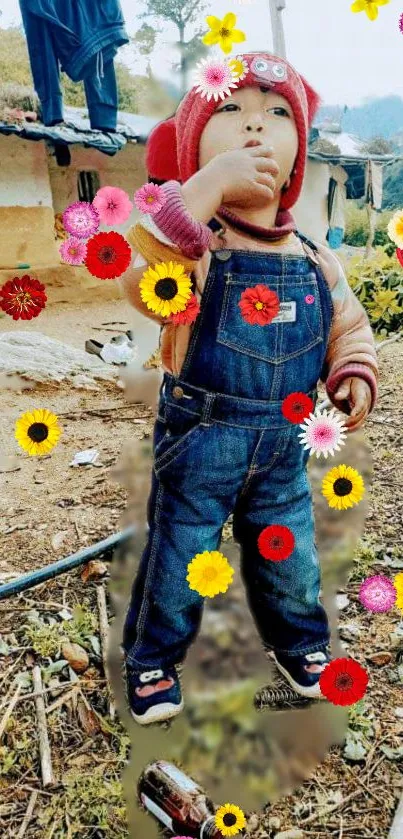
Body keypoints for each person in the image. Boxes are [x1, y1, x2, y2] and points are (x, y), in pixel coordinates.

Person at [120, 52, 378, 725]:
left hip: (281, 447)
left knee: (288, 554)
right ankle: (152, 657)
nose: (254, 127)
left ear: (297, 157)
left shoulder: (315, 256)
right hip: (200, 437)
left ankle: (301, 644)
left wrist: (350, 373)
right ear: (193, 147)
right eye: (229, 110)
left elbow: (348, 325)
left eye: (276, 112)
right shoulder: (195, 245)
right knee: (180, 551)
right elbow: (142, 278)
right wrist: (201, 191)